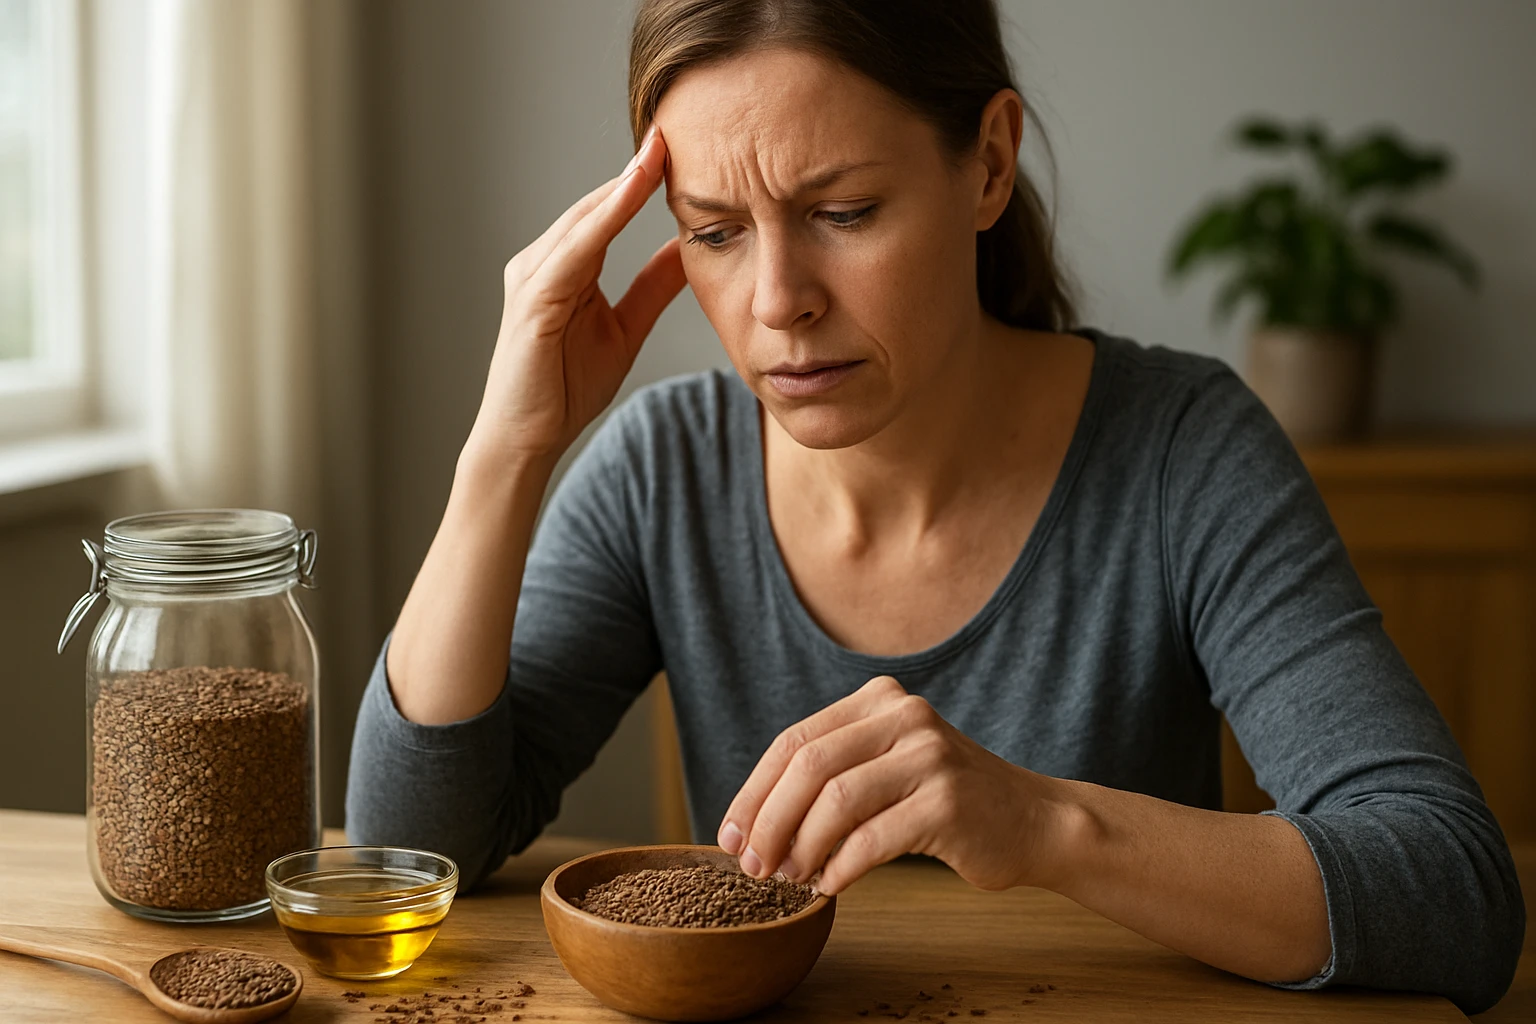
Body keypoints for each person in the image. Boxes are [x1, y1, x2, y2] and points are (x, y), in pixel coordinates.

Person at [346, 0, 1523, 1012]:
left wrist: (1045, 823)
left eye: (844, 213)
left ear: (990, 164)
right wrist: (508, 448)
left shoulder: (1181, 451)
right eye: (713, 230)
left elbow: (1452, 894)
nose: (777, 301)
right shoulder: (663, 472)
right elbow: (413, 851)